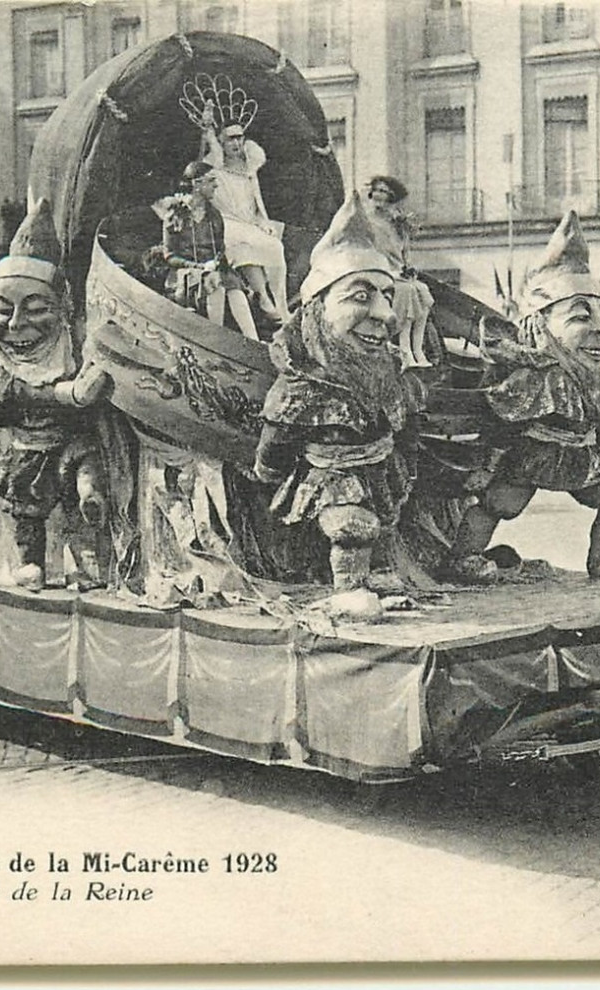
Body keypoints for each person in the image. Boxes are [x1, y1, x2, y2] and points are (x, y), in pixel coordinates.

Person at [252, 192, 424, 621]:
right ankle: (349, 589)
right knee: (353, 525)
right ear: (317, 311)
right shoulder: (303, 385)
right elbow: (277, 437)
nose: (384, 315)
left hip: (379, 469)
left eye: (387, 296)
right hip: (329, 476)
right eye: (361, 297)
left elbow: (405, 428)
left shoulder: (390, 374)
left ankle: (379, 577)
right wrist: (267, 473)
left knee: (381, 520)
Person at [445, 210, 600, 581]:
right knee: (500, 503)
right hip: (532, 454)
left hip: (579, 454)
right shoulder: (536, 375)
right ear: (540, 324)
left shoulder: (585, 372)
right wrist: (488, 465)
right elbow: (502, 418)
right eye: (582, 317)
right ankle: (463, 559)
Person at [0, 199, 113, 591]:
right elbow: (7, 398)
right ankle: (32, 564)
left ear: (62, 309)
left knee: (86, 473)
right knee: (28, 510)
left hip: (72, 441)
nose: (17, 323)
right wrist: (67, 394)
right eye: (3, 310)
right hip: (27, 449)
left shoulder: (73, 349)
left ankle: (91, 515)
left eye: (36, 308)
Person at [198, 108, 288, 322]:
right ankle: (263, 298)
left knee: (275, 247)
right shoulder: (214, 166)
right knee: (241, 248)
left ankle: (280, 303)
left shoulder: (250, 166)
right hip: (226, 222)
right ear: (222, 142)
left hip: (249, 222)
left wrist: (263, 221)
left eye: (239, 138)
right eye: (230, 139)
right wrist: (207, 133)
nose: (235, 144)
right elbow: (200, 168)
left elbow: (257, 201)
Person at [155, 161, 259, 340]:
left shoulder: (214, 215)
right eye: (211, 181)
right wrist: (199, 266)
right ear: (197, 184)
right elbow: (169, 256)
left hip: (211, 271)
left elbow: (220, 249)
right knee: (215, 285)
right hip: (184, 274)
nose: (216, 185)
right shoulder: (175, 215)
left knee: (235, 288)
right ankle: (214, 339)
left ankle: (254, 340)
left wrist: (216, 263)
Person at [362, 174, 435, 368]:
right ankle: (405, 350)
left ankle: (417, 348)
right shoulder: (365, 221)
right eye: (376, 190)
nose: (378, 195)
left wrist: (408, 269)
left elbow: (405, 256)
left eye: (383, 192)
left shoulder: (398, 225)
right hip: (374, 271)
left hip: (396, 273)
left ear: (391, 197)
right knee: (406, 291)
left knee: (422, 292)